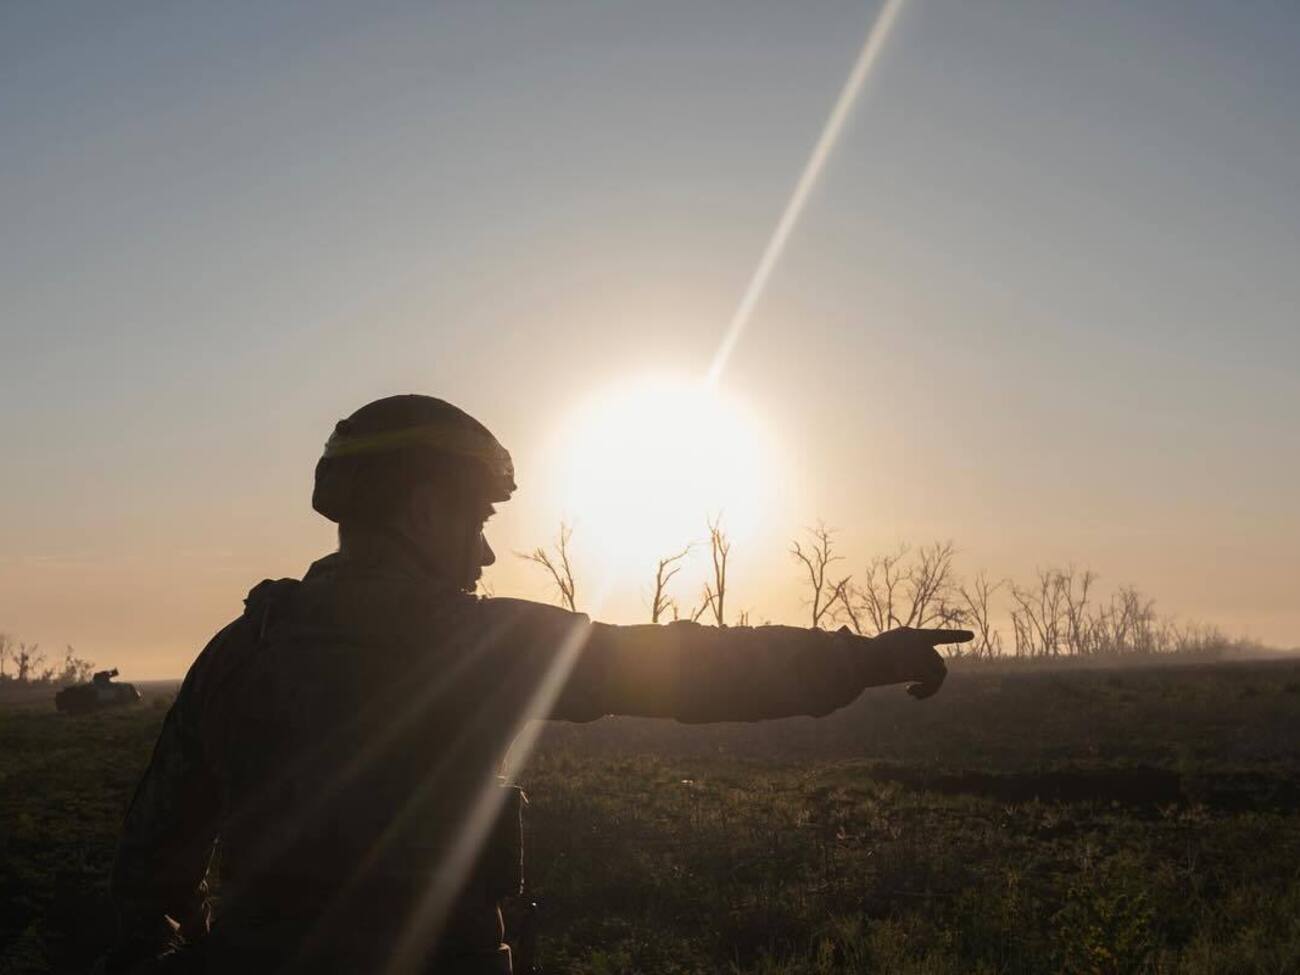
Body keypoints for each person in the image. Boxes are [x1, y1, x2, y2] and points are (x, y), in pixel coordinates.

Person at [107, 394, 970, 974]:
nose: (485, 551)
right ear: (423, 511)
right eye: (478, 520)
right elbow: (693, 666)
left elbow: (152, 864)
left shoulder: (238, 649)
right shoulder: (479, 643)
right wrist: (861, 657)